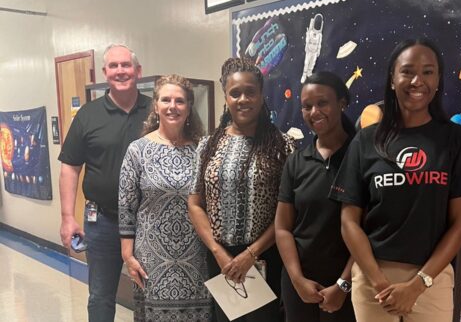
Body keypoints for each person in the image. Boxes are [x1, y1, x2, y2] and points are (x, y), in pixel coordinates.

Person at [329, 39, 461, 322]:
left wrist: (418, 284)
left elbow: (460, 224)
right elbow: (348, 222)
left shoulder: (456, 140)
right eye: (407, 71)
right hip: (372, 279)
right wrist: (378, 283)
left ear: (438, 80)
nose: (418, 80)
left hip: (431, 279)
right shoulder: (365, 141)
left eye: (428, 72)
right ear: (392, 79)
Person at [188, 57, 295, 322]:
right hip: (219, 257)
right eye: (235, 93)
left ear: (261, 95)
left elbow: (288, 211)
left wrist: (250, 254)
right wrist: (219, 252)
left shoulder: (283, 147)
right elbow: (195, 203)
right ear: (226, 96)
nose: (243, 99)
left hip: (265, 257)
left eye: (250, 92)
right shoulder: (208, 146)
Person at [58, 44, 150, 322]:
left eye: (126, 65)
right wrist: (67, 218)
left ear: (138, 70)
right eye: (114, 66)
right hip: (102, 221)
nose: (120, 71)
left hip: (148, 220)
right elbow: (70, 168)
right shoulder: (88, 115)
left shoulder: (156, 111)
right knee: (100, 294)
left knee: (151, 291)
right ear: (105, 72)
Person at [118, 75, 212, 321]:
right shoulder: (137, 150)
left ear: (189, 107)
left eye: (180, 101)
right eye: (166, 100)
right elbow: (126, 207)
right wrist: (128, 256)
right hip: (152, 258)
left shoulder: (202, 150)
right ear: (156, 106)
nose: (173, 106)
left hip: (195, 255)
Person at [275, 71, 357, 322]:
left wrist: (343, 285)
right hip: (300, 284)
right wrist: (297, 280)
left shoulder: (362, 157)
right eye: (307, 106)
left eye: (322, 103)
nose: (314, 112)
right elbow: (283, 228)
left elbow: (371, 230)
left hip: (349, 282)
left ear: (341, 103)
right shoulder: (297, 161)